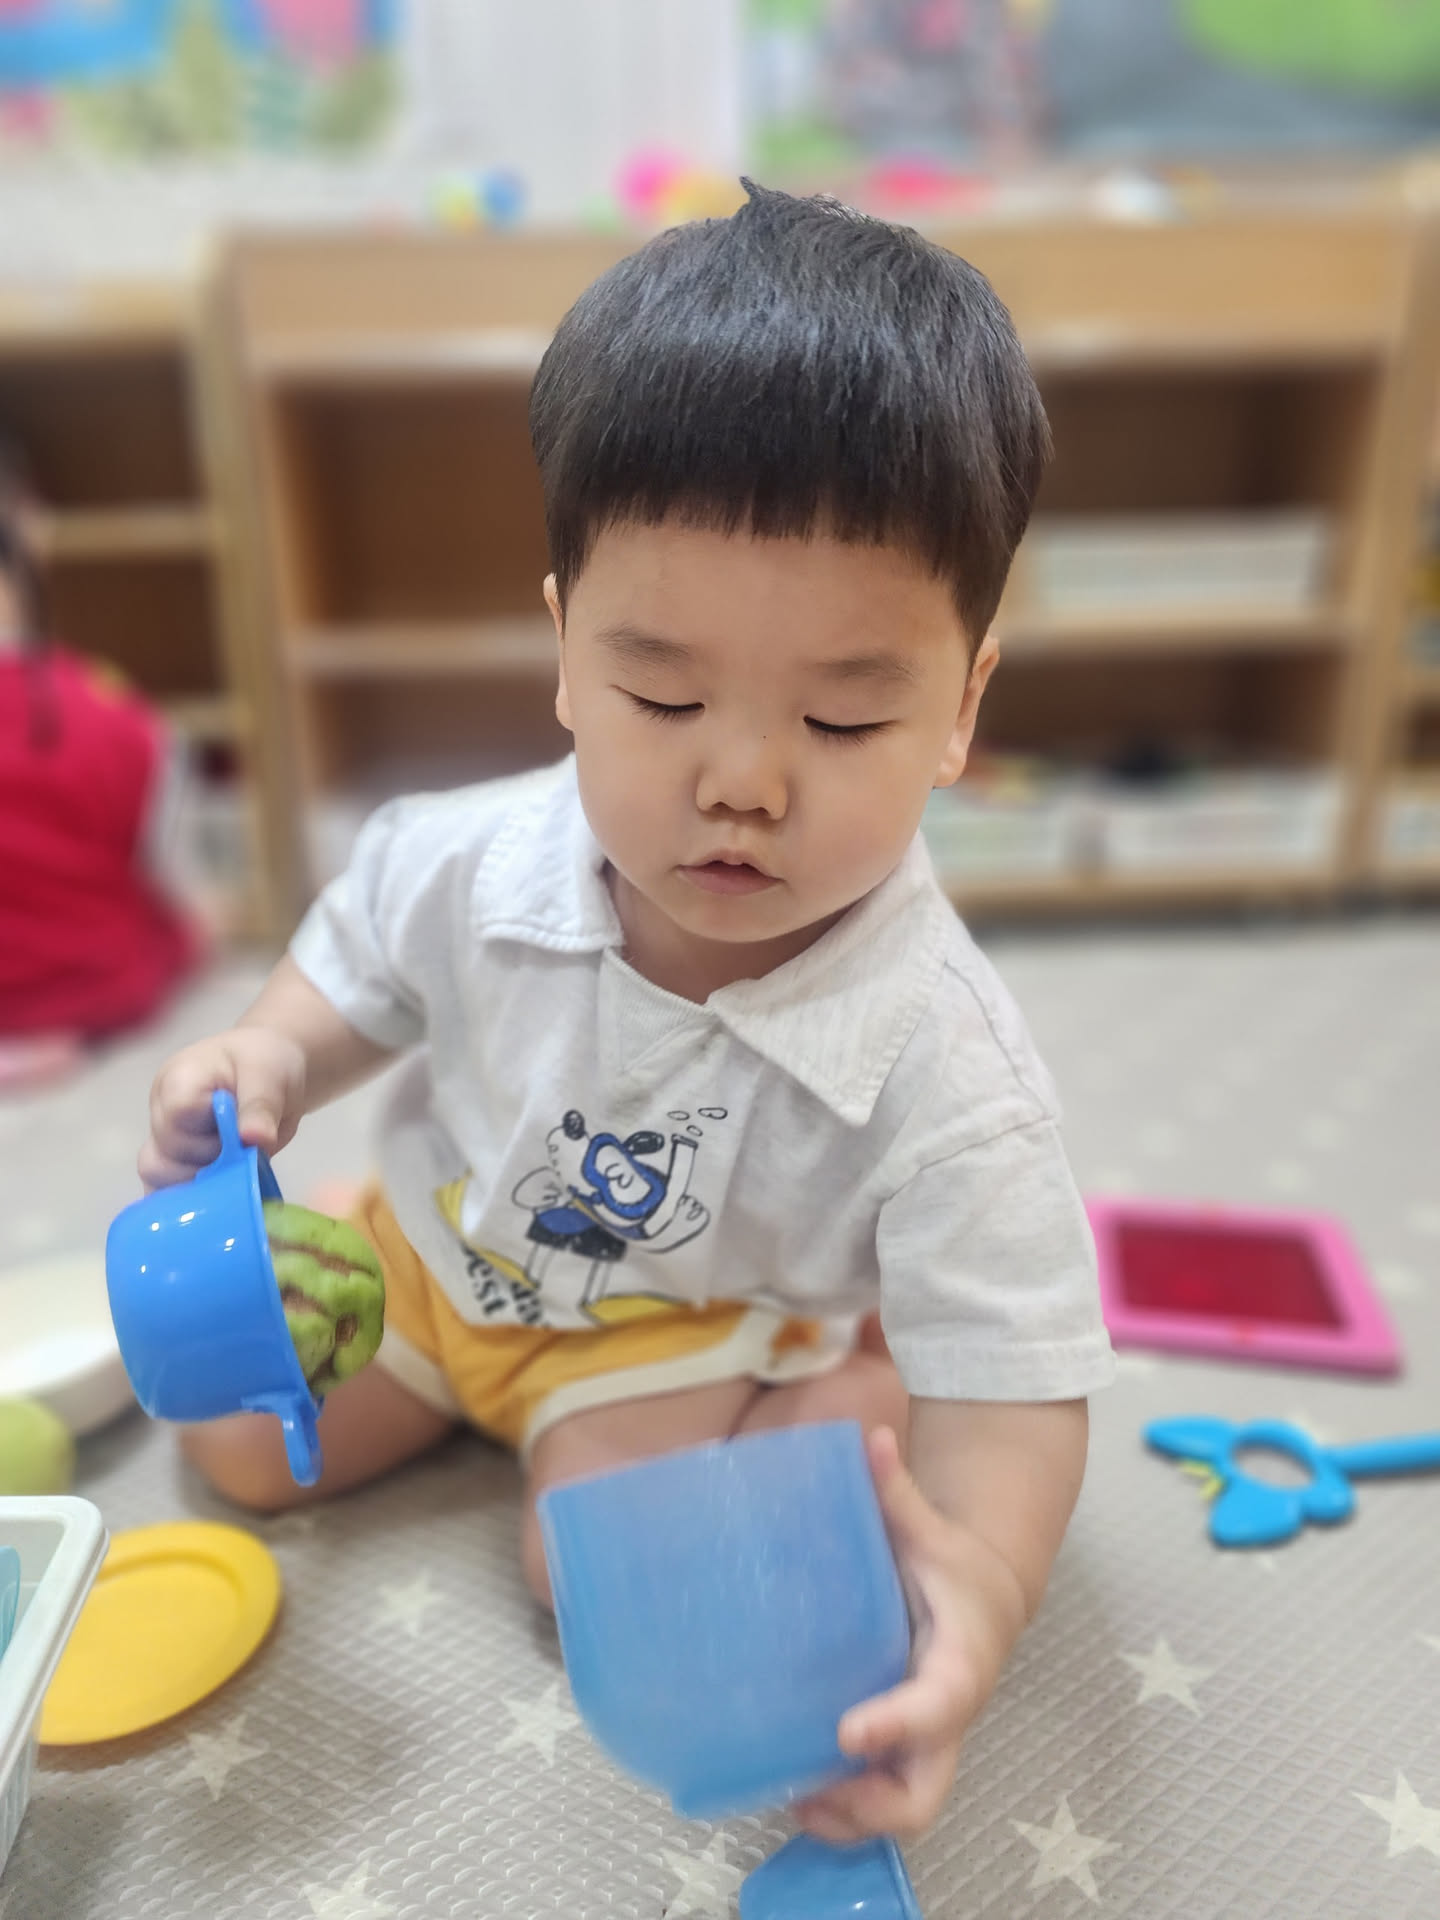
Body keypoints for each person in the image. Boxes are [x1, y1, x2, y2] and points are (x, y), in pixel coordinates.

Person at [139, 182, 1113, 1843]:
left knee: (585, 1573)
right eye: (662, 693)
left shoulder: (948, 1065)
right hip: (437, 1246)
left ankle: (839, 1391)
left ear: (962, 708)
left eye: (842, 719)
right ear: (565, 651)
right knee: (232, 1447)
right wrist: (269, 1055)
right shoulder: (466, 861)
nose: (742, 781)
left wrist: (986, 1586)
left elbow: (1016, 1382)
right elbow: (352, 973)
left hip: (672, 1332)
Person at [0, 441, 200, 1083]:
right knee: (194, 923)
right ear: (32, 527)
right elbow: (174, 883)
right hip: (99, 995)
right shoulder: (120, 717)